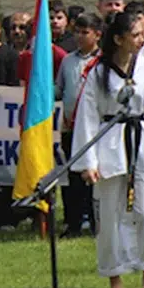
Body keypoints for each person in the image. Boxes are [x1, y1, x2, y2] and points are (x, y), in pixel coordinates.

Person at [73, 10, 144, 288]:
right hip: (110, 142)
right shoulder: (98, 72)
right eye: (135, 35)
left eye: (142, 34)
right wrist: (88, 162)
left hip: (143, 142)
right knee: (109, 215)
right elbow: (87, 117)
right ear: (119, 39)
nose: (140, 39)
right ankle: (114, 277)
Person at [56, 13, 102, 238]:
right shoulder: (68, 60)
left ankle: (96, 223)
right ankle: (73, 223)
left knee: (94, 176)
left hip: (95, 129)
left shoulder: (103, 61)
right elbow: (59, 89)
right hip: (71, 127)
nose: (80, 37)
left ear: (97, 35)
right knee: (73, 177)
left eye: (86, 32)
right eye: (77, 32)